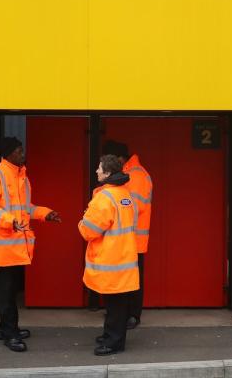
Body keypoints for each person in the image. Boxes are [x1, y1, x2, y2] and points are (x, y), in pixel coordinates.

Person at [0, 136, 61, 352]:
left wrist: (45, 214)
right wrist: (9, 220)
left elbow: (25, 208)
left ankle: (5, 328)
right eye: (19, 151)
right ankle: (10, 334)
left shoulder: (21, 176)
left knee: (11, 290)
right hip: (2, 246)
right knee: (6, 292)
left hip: (15, 245)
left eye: (22, 150)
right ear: (8, 154)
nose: (23, 154)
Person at [79, 154, 140, 355]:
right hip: (124, 258)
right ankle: (111, 336)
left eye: (99, 168)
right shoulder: (125, 194)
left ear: (107, 173)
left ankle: (114, 342)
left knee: (114, 306)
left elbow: (88, 231)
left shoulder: (104, 198)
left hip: (111, 259)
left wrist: (81, 222)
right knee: (117, 305)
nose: (96, 171)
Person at [100, 141, 152, 330]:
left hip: (133, 239)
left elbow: (133, 208)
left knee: (132, 280)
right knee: (125, 279)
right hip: (127, 237)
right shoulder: (130, 173)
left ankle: (132, 315)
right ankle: (124, 313)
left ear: (120, 159)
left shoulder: (135, 176)